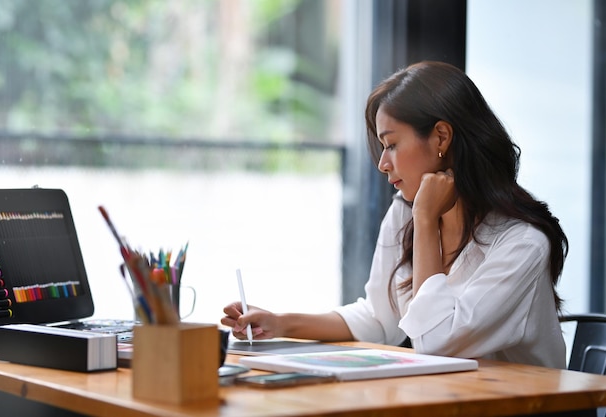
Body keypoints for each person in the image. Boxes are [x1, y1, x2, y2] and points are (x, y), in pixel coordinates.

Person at [221, 61, 569, 369]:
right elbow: (379, 318)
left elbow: (436, 343)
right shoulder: (406, 211)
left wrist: (427, 218)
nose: (382, 163)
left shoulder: (523, 243)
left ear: (441, 138)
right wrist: (280, 324)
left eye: (391, 144)